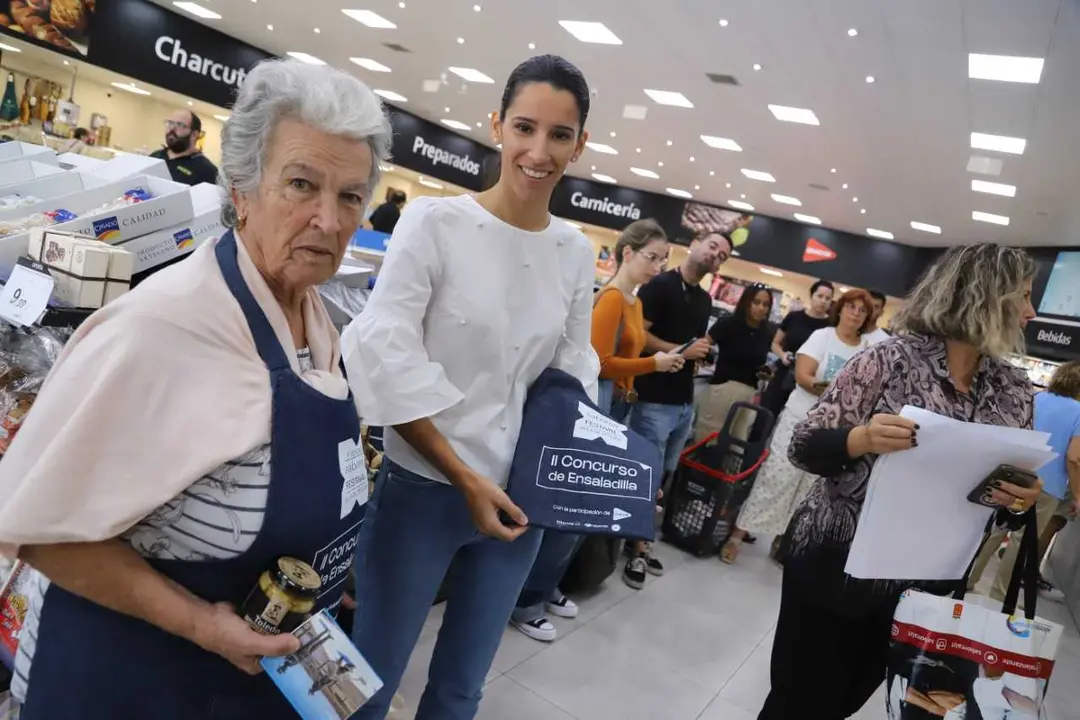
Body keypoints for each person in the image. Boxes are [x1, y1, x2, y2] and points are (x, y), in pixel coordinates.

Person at [0, 59, 392, 718]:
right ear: (240, 189)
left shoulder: (313, 318)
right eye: (301, 184)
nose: (329, 219)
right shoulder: (162, 328)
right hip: (124, 684)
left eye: (351, 196)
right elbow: (38, 529)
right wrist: (201, 624)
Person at [341, 55, 599, 719]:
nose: (539, 151)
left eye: (559, 135)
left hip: (520, 503)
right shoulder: (434, 224)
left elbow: (571, 366)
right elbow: (388, 353)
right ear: (497, 126)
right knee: (369, 678)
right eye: (524, 127)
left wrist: (585, 466)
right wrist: (464, 478)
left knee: (462, 687)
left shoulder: (574, 252)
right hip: (424, 488)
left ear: (580, 144)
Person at [758, 243, 1044, 720]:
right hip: (836, 567)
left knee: (847, 702)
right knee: (801, 702)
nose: (1031, 312)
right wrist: (861, 438)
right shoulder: (887, 361)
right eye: (1023, 296)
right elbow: (803, 446)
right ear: (983, 296)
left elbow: (997, 498)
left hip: (923, 588)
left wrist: (1020, 500)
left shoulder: (1013, 389)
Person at [509, 218, 683, 643]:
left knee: (587, 504)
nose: (659, 265)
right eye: (652, 256)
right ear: (627, 253)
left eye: (664, 259)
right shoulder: (608, 300)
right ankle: (526, 599)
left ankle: (546, 587)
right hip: (595, 403)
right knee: (571, 504)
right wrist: (651, 366)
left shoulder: (634, 302)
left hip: (617, 405)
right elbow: (598, 361)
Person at [721, 289, 874, 565]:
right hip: (800, 418)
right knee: (778, 476)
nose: (856, 313)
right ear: (840, 309)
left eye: (862, 310)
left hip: (834, 430)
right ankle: (737, 534)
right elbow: (804, 377)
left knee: (809, 488)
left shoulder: (866, 349)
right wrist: (840, 391)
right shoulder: (822, 337)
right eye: (851, 307)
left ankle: (784, 541)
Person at [621, 230, 731, 589]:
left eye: (724, 254)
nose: (717, 254)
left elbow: (691, 345)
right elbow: (640, 336)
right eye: (713, 246)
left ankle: (635, 539)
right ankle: (637, 545)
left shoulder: (702, 299)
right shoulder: (659, 286)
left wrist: (693, 356)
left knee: (663, 475)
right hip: (653, 397)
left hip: (683, 400)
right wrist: (679, 352)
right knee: (645, 475)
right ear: (695, 243)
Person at [967, 359, 1080, 601]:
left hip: (1020, 474)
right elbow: (1074, 457)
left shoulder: (1036, 397)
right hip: (1048, 486)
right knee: (1021, 541)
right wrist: (1078, 496)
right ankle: (999, 595)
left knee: (997, 529)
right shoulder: (1079, 412)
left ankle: (967, 579)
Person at [694, 284, 775, 442]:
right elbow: (703, 344)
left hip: (749, 392)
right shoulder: (728, 323)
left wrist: (765, 373)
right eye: (756, 302)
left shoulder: (766, 332)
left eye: (766, 305)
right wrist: (704, 358)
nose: (761, 308)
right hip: (723, 387)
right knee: (709, 438)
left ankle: (727, 468)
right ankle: (698, 467)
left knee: (737, 442)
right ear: (747, 302)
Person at [760, 280, 834, 417]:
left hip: (810, 379)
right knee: (766, 414)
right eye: (820, 296)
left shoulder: (831, 326)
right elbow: (775, 343)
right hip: (784, 373)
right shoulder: (794, 317)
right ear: (811, 296)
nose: (823, 301)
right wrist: (783, 355)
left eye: (828, 298)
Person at [150, 109, 220, 186]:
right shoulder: (155, 156)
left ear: (194, 134)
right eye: (170, 123)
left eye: (180, 125)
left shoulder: (207, 171)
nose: (172, 128)